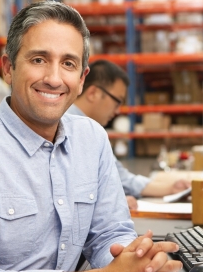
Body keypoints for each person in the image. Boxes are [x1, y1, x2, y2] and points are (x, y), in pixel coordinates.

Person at [0, 1, 182, 272]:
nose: (54, 79)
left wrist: (139, 265)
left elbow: (109, 234)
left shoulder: (92, 139)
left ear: (81, 79)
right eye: (39, 59)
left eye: (68, 63)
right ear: (8, 68)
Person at [67, 60, 191, 210]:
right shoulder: (69, 127)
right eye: (117, 101)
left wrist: (170, 188)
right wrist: (106, 203)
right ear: (93, 93)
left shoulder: (91, 131)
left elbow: (119, 177)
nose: (118, 110)